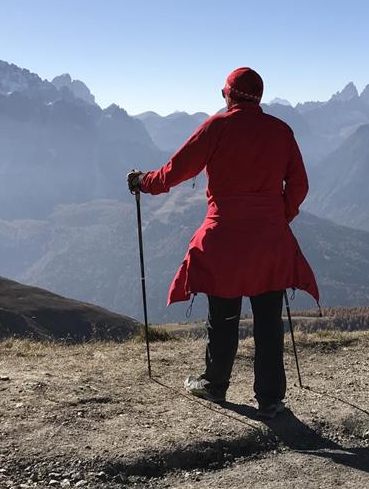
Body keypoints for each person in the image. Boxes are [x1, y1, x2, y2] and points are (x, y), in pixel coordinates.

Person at [127, 67, 319, 419]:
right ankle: (271, 399)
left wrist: (143, 182)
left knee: (224, 316)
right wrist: (278, 217)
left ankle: (215, 384)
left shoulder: (217, 127)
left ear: (228, 95)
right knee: (268, 321)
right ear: (258, 97)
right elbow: (300, 185)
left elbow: (174, 172)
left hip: (224, 240)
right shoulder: (281, 131)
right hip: (269, 243)